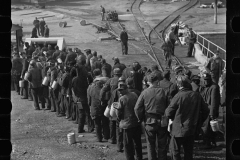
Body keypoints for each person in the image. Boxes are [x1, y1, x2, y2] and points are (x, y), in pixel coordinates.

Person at [165, 75, 209, 160]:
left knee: (175, 152)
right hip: (192, 128)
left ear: (179, 85)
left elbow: (168, 113)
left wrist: (173, 118)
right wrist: (198, 121)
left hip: (178, 129)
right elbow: (206, 111)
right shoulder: (197, 95)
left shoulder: (178, 96)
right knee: (188, 152)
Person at [135, 72, 168, 160]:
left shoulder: (144, 92)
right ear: (157, 81)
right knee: (162, 145)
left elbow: (137, 108)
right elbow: (169, 106)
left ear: (149, 81)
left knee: (150, 145)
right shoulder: (163, 91)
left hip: (149, 121)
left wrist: (140, 118)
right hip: (162, 121)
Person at [115, 83, 143, 160]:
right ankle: (139, 157)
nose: (120, 92)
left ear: (126, 89)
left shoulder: (122, 98)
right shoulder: (134, 95)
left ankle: (130, 158)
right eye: (119, 90)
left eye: (121, 90)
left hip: (127, 125)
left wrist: (119, 119)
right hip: (136, 123)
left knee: (127, 144)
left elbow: (119, 112)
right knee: (137, 142)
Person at [100, 68, 123, 144]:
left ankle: (113, 138)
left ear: (114, 73)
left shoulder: (110, 80)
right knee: (121, 120)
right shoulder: (123, 80)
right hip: (122, 103)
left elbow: (103, 90)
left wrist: (102, 100)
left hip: (112, 103)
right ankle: (121, 139)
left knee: (112, 121)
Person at [199, 73, 221, 149]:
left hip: (209, 111)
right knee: (207, 128)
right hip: (204, 111)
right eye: (205, 80)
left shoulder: (214, 87)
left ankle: (208, 143)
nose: (206, 82)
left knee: (207, 128)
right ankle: (210, 142)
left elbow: (214, 102)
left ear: (210, 79)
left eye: (207, 80)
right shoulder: (204, 87)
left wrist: (212, 114)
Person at [87, 76, 105, 142]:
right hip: (102, 109)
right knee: (104, 123)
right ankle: (106, 136)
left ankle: (99, 138)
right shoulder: (103, 90)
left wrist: (90, 106)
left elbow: (89, 101)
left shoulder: (91, 89)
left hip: (94, 109)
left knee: (97, 124)